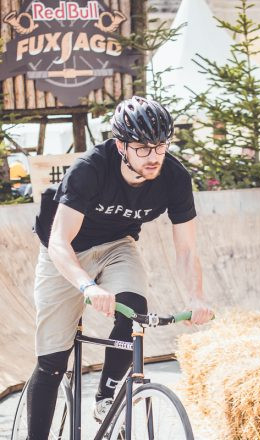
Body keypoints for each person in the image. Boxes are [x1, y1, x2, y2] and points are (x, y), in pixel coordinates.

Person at [27, 96, 214, 439]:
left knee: (135, 311)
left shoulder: (174, 176)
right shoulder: (90, 169)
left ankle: (107, 394)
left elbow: (186, 249)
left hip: (117, 245)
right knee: (53, 360)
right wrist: (88, 287)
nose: (153, 156)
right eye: (142, 148)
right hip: (64, 250)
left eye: (160, 145)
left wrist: (196, 297)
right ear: (120, 145)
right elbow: (59, 242)